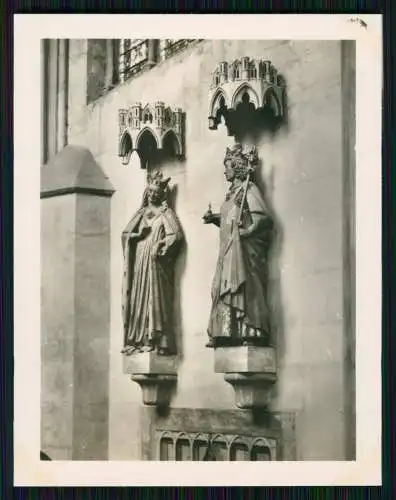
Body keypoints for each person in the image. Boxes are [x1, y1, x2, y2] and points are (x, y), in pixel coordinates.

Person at [203, 144, 273, 348]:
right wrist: (216, 218)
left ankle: (251, 331)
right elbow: (232, 219)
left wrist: (246, 233)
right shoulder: (233, 194)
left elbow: (262, 219)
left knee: (244, 289)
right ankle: (226, 332)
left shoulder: (249, 189)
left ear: (238, 167)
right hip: (227, 250)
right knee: (220, 287)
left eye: (228, 166)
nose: (225, 170)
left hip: (244, 251)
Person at [121, 171, 183, 356]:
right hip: (140, 261)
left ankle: (154, 339)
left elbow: (176, 236)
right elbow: (125, 235)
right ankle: (138, 339)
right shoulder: (140, 213)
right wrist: (136, 236)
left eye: (156, 192)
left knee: (153, 299)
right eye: (150, 192)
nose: (153, 195)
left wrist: (162, 244)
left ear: (162, 194)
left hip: (156, 263)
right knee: (138, 299)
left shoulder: (166, 213)